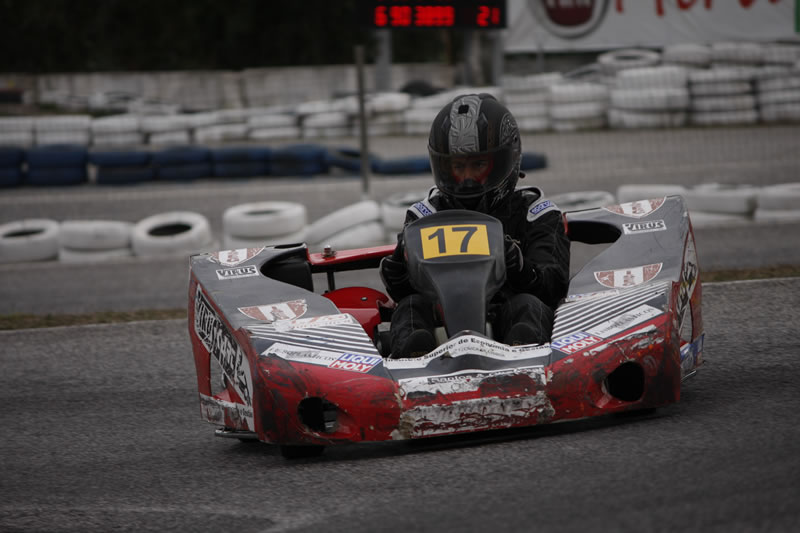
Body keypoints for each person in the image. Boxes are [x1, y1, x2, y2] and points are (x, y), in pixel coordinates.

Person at [380, 93, 570, 358]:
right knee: (410, 307)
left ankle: (526, 365)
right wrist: (398, 264)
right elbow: (404, 291)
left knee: (529, 306)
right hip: (442, 328)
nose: (467, 179)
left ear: (507, 160)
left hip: (509, 323)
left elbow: (554, 287)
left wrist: (520, 267)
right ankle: (412, 365)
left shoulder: (535, 214)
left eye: (478, 165)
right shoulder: (426, 215)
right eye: (458, 167)